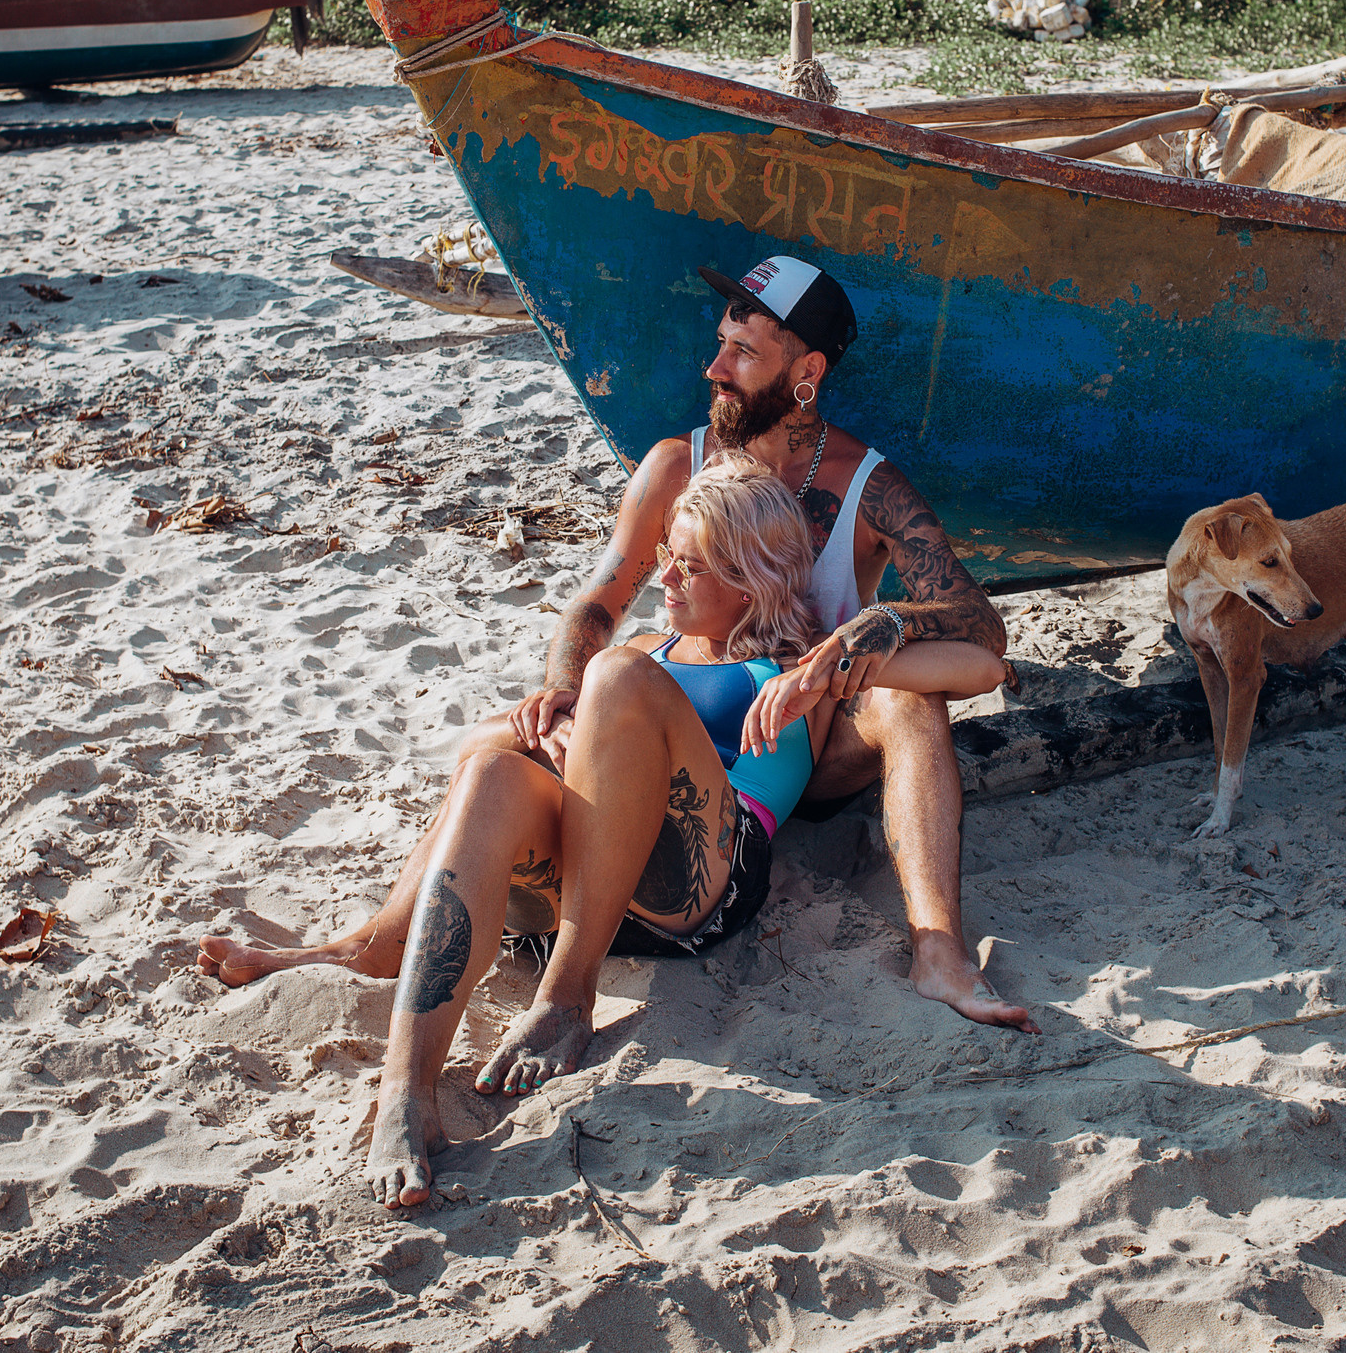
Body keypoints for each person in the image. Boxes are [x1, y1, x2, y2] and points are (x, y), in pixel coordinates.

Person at [201, 255, 1027, 1032]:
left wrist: (857, 639)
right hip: (685, 726)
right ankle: (369, 943)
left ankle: (939, 951)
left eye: (743, 351)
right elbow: (597, 606)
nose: (716, 367)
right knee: (503, 738)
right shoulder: (677, 465)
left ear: (805, 375)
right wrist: (564, 693)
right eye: (720, 344)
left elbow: (979, 628)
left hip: (815, 722)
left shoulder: (866, 484)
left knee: (906, 697)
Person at [200, 459, 1002, 1209]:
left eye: (688, 564)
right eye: (665, 555)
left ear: (751, 574)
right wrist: (537, 727)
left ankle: (566, 997)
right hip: (589, 876)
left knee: (613, 671)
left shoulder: (801, 665)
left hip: (703, 878)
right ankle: (405, 1093)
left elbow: (978, 670)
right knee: (494, 772)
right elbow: (465, 755)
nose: (664, 577)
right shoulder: (651, 646)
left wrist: (861, 640)